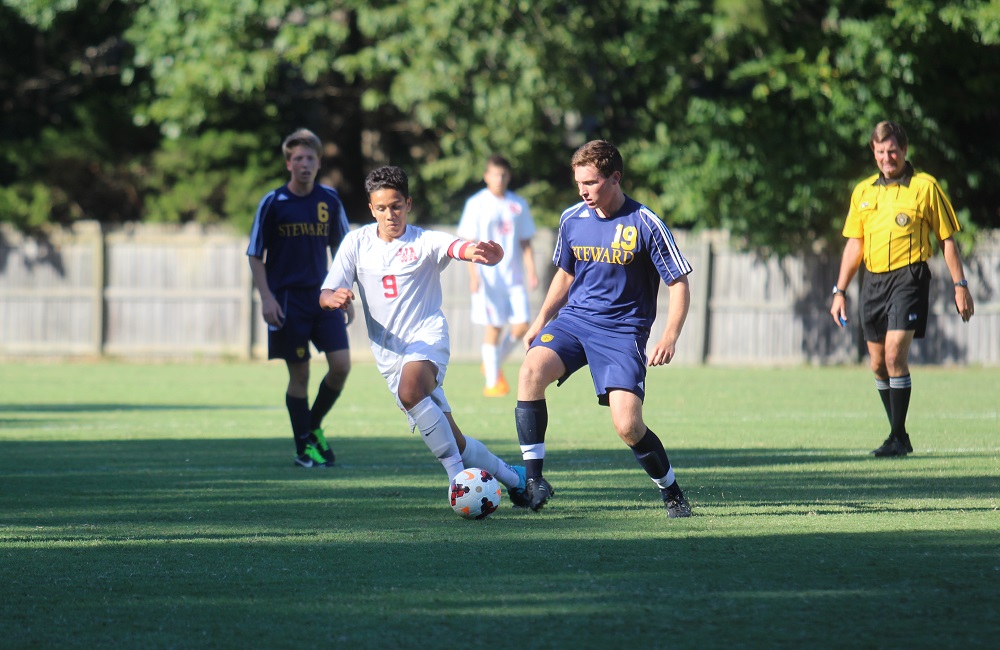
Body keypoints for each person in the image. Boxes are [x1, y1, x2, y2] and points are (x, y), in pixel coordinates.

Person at [319, 165, 529, 506]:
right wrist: (333, 298)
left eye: (396, 206)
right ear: (371, 209)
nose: (390, 214)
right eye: (382, 208)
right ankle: (515, 479)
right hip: (389, 355)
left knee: (410, 390)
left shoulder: (424, 240)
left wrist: (477, 252)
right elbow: (327, 291)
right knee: (455, 440)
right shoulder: (356, 243)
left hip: (428, 337)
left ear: (409, 204)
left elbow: (456, 247)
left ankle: (458, 482)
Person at [514, 140, 694, 518]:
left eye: (591, 182)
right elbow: (566, 273)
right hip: (575, 321)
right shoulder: (572, 218)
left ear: (615, 178)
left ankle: (672, 493)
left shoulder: (645, 223)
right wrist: (541, 320)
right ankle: (534, 481)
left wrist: (670, 336)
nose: (583, 190)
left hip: (622, 332)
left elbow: (678, 282)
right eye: (579, 182)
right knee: (530, 371)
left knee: (628, 425)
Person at [830, 121, 975, 457]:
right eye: (880, 151)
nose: (887, 157)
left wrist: (960, 285)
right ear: (874, 153)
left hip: (909, 277)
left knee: (895, 355)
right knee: (878, 364)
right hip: (873, 282)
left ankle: (897, 437)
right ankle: (899, 435)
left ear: (904, 150)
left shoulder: (925, 187)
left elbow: (946, 239)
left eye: (892, 150)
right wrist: (840, 291)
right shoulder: (863, 192)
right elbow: (854, 245)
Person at [247, 128, 352, 468]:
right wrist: (266, 298)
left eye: (310, 158)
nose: (304, 164)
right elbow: (255, 254)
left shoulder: (329, 200)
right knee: (300, 375)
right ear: (288, 163)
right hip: (287, 301)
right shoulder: (273, 202)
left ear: (319, 163)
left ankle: (312, 427)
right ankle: (303, 448)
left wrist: (345, 292)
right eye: (298, 158)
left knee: (341, 366)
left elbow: (343, 251)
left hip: (323, 297)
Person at [457, 155, 539, 397]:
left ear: (508, 177)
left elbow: (525, 241)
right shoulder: (476, 203)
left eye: (503, 175)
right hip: (488, 277)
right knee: (494, 326)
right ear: (486, 177)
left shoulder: (518, 204)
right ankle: (492, 383)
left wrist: (531, 271)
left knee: (522, 326)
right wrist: (473, 275)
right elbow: (469, 242)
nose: (499, 179)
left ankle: (492, 363)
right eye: (495, 174)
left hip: (513, 277)